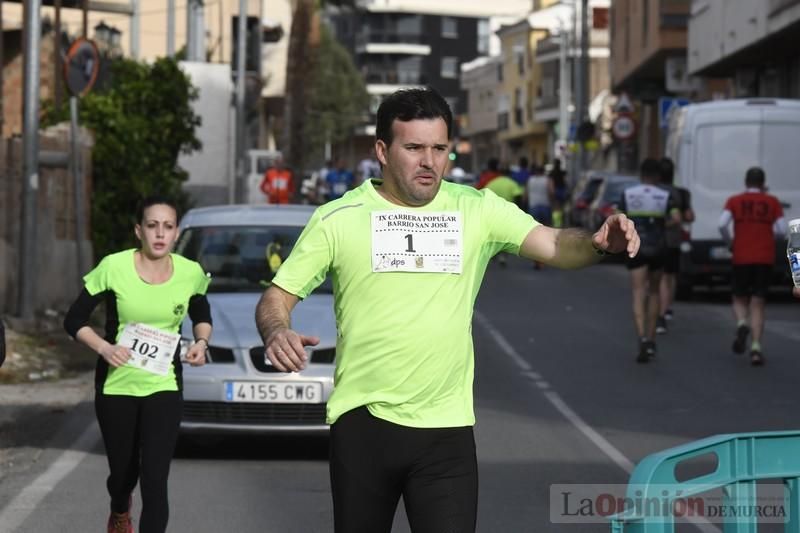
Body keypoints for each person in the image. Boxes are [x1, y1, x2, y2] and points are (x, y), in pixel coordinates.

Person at [254, 87, 639, 533]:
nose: (429, 161)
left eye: (439, 149)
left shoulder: (476, 209)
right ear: (382, 150)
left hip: (446, 431)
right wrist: (277, 330)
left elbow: (554, 243)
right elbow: (277, 297)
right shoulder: (339, 218)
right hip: (364, 426)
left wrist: (596, 243)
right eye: (414, 147)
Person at [63, 196, 212, 533]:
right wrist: (104, 348)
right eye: (152, 225)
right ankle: (119, 507)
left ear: (176, 233)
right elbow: (73, 319)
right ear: (138, 231)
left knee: (155, 478)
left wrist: (201, 343)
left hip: (165, 385)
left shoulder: (189, 272)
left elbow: (201, 313)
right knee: (123, 474)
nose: (160, 234)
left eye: (168, 226)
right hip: (117, 385)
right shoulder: (114, 267)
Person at [718, 167, 786, 366]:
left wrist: (730, 242)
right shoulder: (772, 202)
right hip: (764, 257)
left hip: (741, 255)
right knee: (758, 302)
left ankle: (741, 324)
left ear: (746, 182)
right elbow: (782, 230)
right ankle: (756, 348)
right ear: (763, 183)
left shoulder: (734, 201)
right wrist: (768, 236)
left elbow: (722, 224)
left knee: (739, 297)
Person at [619, 158, 681, 363]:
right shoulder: (664, 196)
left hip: (636, 247)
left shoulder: (628, 195)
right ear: (657, 176)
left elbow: (617, 218)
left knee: (638, 292)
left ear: (641, 175)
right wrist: (663, 224)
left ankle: (641, 338)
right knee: (654, 292)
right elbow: (677, 219)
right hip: (658, 248)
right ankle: (652, 338)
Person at [656, 157, 695, 333]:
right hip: (673, 240)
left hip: (653, 239)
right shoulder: (681, 193)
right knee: (669, 276)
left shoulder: (652, 191)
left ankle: (661, 313)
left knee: (659, 277)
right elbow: (689, 216)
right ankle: (667, 307)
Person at [548, 159, 568, 227]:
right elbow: (565, 182)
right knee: (561, 207)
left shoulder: (552, 173)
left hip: (556, 190)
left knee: (556, 207)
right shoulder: (562, 172)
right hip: (562, 190)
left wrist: (551, 192)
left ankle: (556, 223)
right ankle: (561, 222)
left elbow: (551, 183)